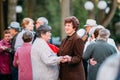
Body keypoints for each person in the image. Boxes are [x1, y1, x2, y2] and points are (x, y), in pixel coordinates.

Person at [57, 16, 85, 80]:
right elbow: (59, 53)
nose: (66, 27)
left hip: (74, 75)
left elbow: (78, 57)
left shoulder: (78, 39)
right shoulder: (64, 40)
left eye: (69, 25)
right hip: (65, 74)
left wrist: (69, 59)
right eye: (65, 25)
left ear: (74, 27)